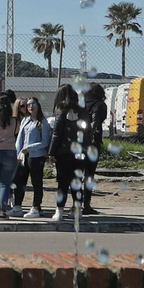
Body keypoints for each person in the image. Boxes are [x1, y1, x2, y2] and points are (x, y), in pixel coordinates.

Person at [48, 83, 84, 222]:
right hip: (80, 152)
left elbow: (56, 134)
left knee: (62, 183)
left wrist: (51, 153)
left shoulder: (61, 112)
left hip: (63, 153)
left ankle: (59, 210)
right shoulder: (81, 111)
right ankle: (77, 210)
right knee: (76, 182)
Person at [12, 96, 49, 217]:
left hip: (36, 156)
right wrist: (18, 153)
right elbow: (19, 138)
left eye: (33, 104)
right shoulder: (25, 120)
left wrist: (30, 148)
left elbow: (45, 142)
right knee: (19, 181)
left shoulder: (43, 122)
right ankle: (17, 206)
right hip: (23, 156)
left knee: (36, 182)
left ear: (38, 106)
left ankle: (36, 207)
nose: (31, 107)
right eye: (28, 105)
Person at [82, 82, 107, 214]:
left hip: (79, 142)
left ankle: (76, 203)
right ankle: (86, 205)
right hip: (92, 143)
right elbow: (96, 123)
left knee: (78, 173)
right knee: (89, 174)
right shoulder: (99, 105)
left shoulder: (81, 104)